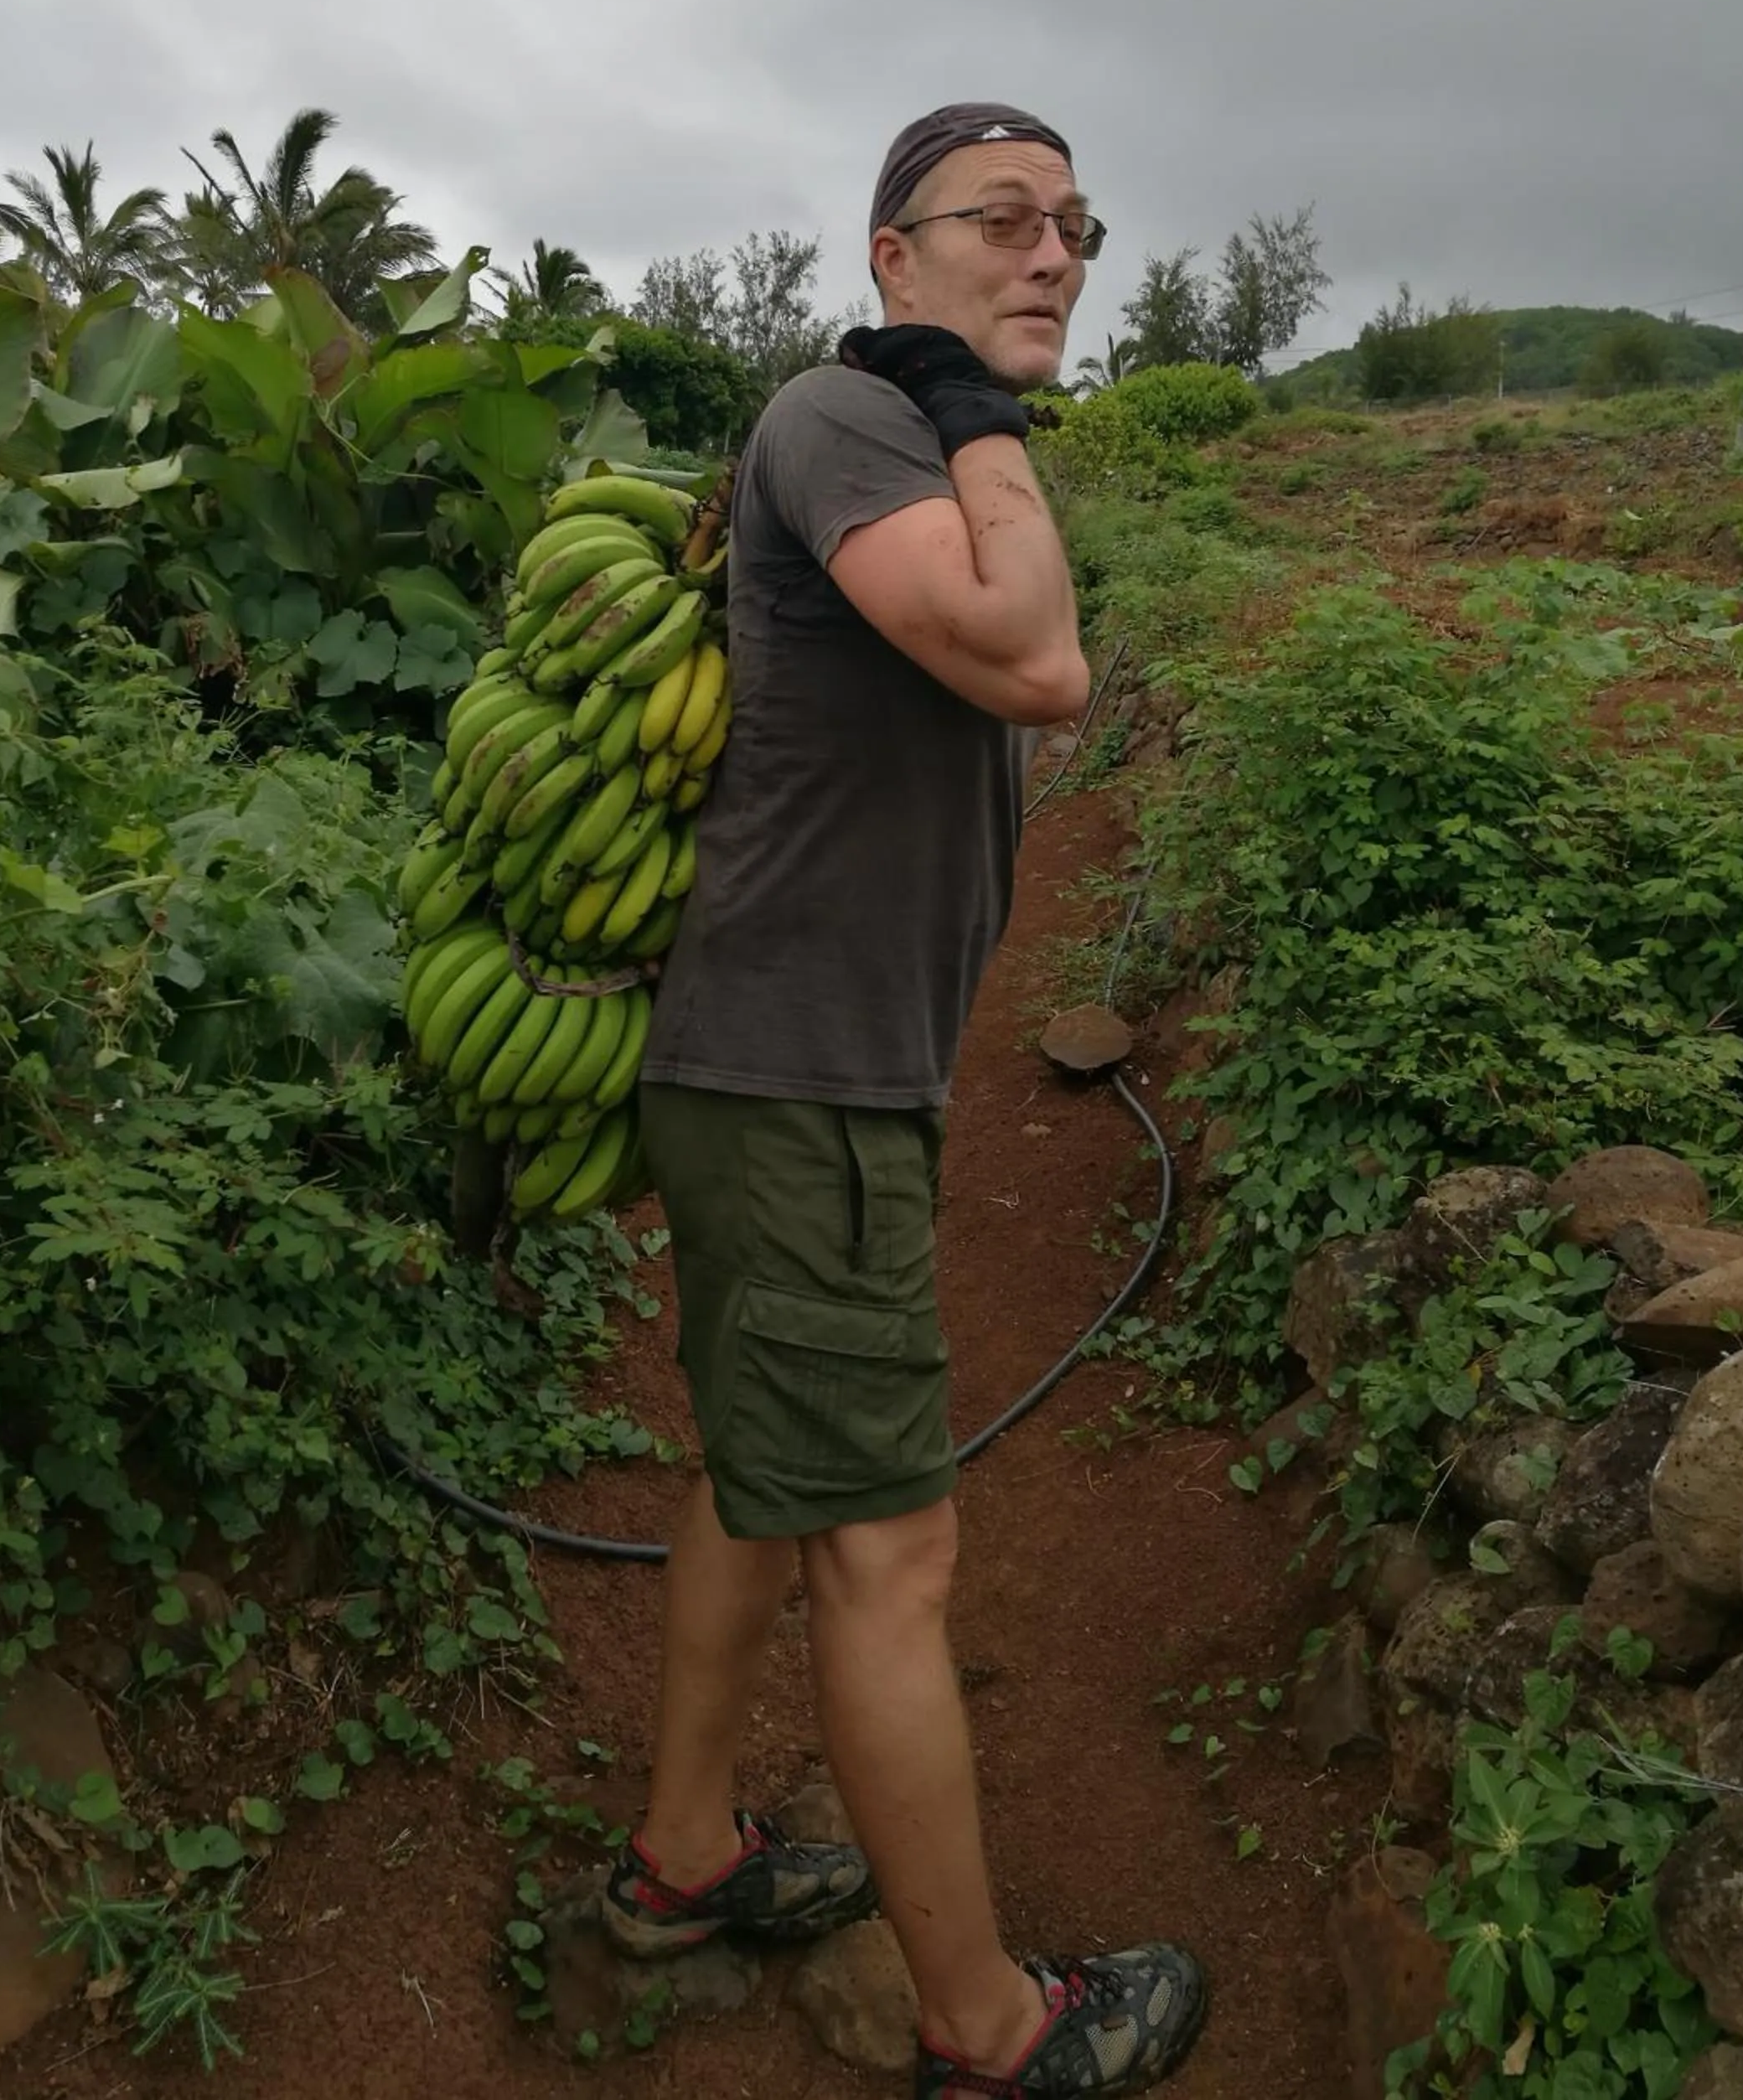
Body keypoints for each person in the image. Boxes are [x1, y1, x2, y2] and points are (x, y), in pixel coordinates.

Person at [602, 104, 1208, 2097]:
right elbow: (1039, 660)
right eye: (1003, 222)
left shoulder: (918, 436)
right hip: (794, 1079)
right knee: (891, 1549)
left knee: (763, 1485)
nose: (1053, 257)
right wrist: (974, 412)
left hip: (808, 1071)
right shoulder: (853, 419)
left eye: (1078, 229)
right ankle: (987, 2031)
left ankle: (684, 1860)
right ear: (892, 255)